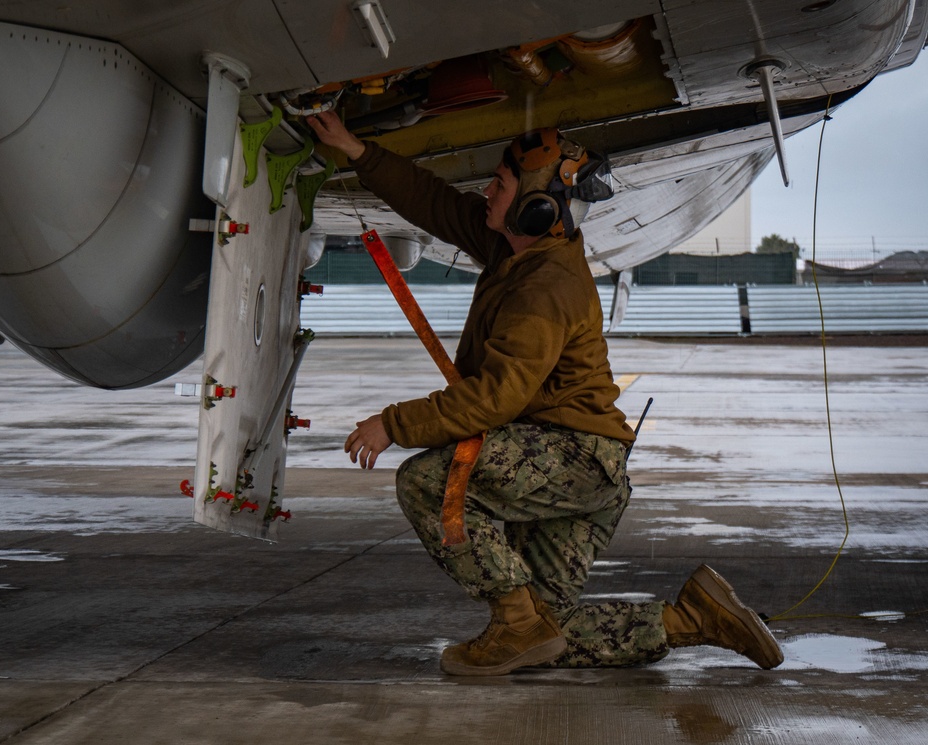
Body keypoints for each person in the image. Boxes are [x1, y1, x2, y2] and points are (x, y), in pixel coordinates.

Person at [307, 110, 784, 676]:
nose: (486, 191)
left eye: (501, 185)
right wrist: (358, 151)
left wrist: (394, 424)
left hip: (575, 459)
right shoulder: (517, 248)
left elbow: (493, 399)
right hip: (582, 468)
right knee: (548, 638)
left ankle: (513, 622)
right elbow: (434, 204)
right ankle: (695, 620)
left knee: (428, 483)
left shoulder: (547, 284)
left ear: (537, 209)